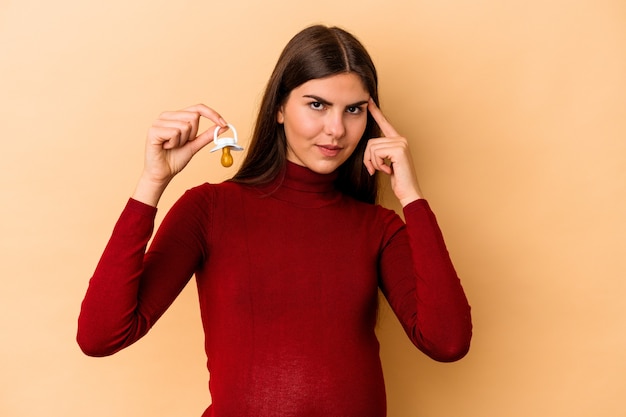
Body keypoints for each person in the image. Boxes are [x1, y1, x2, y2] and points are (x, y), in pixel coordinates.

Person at [77, 24, 472, 417]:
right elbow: (101, 335)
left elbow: (448, 342)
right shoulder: (211, 209)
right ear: (280, 108)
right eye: (317, 104)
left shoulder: (378, 227)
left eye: (353, 110)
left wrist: (411, 197)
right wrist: (152, 182)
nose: (336, 130)